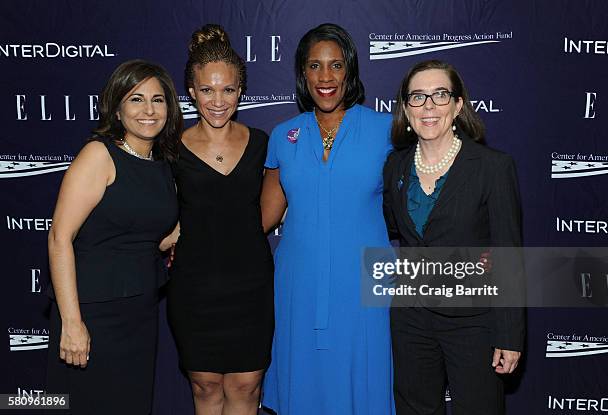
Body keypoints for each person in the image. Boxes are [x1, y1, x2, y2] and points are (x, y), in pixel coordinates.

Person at [260, 23, 394, 414]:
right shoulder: (284, 135)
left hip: (362, 284)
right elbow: (263, 218)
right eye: (315, 66)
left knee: (362, 385)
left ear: (349, 70)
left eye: (336, 66)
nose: (326, 77)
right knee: (304, 385)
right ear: (302, 73)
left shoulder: (385, 130)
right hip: (298, 284)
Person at [383, 59, 524, 415]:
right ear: (405, 108)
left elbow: (508, 253)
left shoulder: (492, 167)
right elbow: (392, 227)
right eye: (417, 97)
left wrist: (509, 335)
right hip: (411, 319)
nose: (428, 106)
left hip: (473, 322)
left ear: (458, 105)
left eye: (440, 95)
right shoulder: (395, 166)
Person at [46, 59, 182, 414]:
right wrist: (72, 323)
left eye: (158, 99)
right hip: (92, 313)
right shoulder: (99, 156)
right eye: (136, 99)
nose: (149, 110)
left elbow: (148, 237)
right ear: (117, 109)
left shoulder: (162, 164)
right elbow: (60, 237)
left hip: (138, 314)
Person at [165, 24, 274, 415]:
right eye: (207, 90)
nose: (217, 100)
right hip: (194, 286)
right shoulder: (170, 147)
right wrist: (168, 236)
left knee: (246, 386)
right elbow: (153, 208)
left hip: (251, 286)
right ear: (191, 92)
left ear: (240, 90)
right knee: (206, 386)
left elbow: (275, 206)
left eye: (228, 89)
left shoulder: (264, 143)